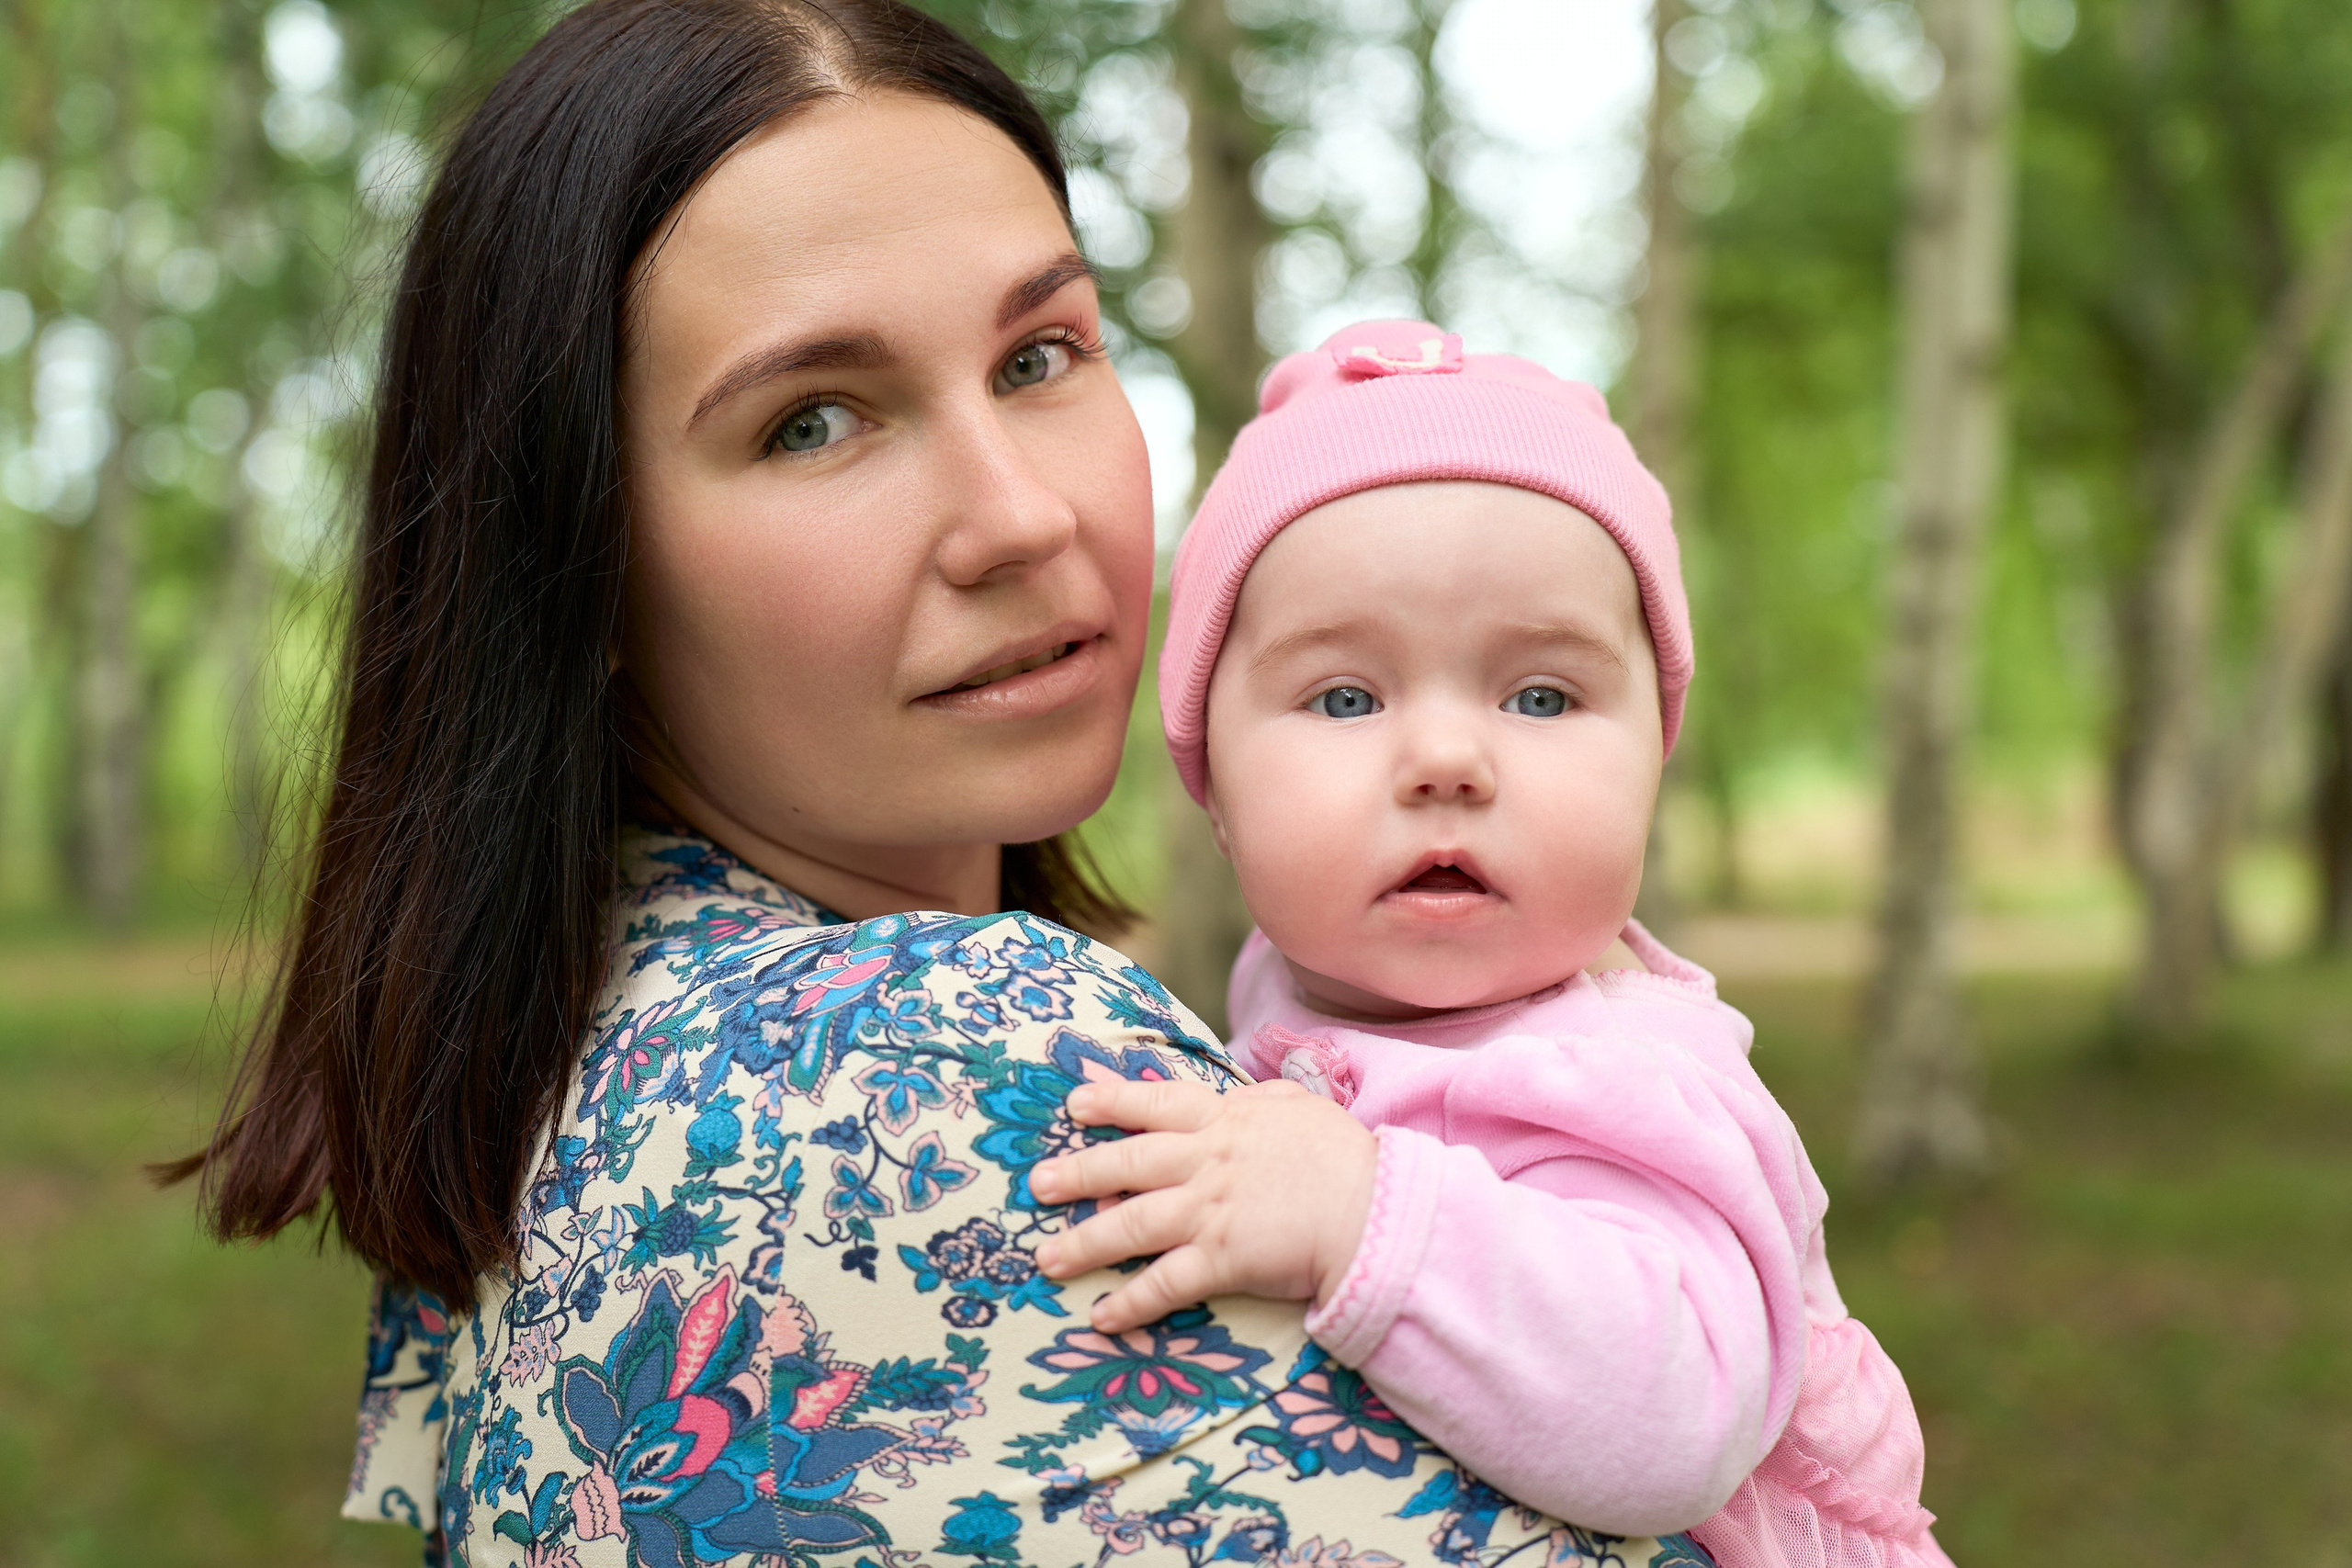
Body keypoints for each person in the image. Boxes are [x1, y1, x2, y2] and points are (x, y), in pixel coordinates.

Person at [172, 4, 1712, 1564]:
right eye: (814, 422)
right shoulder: (916, 1065)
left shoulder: (557, 1042)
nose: (1019, 515)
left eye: (1040, 355)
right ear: (575, 573)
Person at [1027, 321, 1952, 1568]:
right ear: (1215, 787)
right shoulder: (1289, 987)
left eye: (1542, 698)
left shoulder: (1625, 1072)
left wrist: (1360, 1213)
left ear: (1654, 759)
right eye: (1347, 698)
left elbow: (1677, 1417)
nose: (1451, 763)